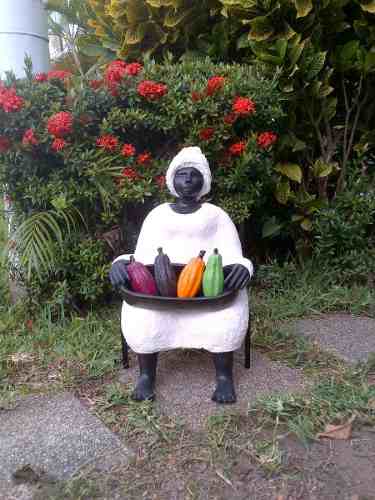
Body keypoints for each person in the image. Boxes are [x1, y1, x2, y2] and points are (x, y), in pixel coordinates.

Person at [109, 146, 253, 403]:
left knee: (226, 316)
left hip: (208, 290)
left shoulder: (217, 216)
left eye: (194, 174)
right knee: (143, 316)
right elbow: (140, 257)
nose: (188, 180)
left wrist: (243, 266)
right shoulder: (157, 215)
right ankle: (146, 375)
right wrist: (119, 263)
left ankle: (223, 376)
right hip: (161, 293)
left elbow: (233, 254)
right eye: (182, 174)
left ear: (204, 181)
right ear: (172, 180)